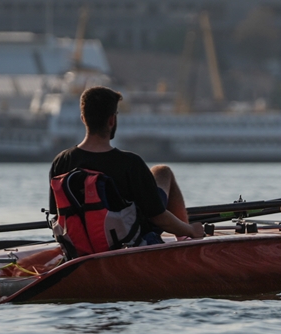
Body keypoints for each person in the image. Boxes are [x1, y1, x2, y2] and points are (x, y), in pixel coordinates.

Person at [49, 86, 204, 246]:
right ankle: (186, 240)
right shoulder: (130, 163)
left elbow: (57, 214)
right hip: (130, 242)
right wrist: (190, 229)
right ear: (112, 120)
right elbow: (159, 218)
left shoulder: (60, 161)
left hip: (82, 244)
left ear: (83, 118)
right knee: (163, 172)